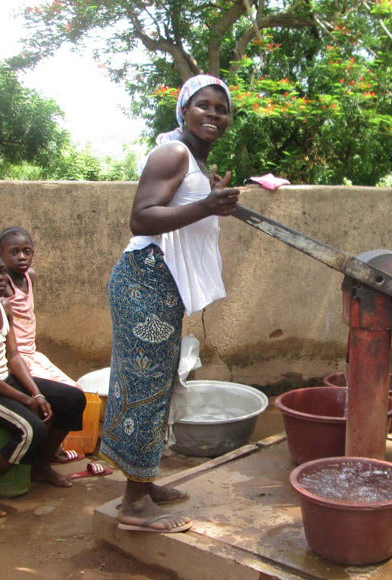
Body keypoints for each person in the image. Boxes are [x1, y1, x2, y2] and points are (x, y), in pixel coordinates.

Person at [100, 74, 240, 533]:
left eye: (221, 109)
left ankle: (142, 480)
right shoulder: (173, 152)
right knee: (144, 386)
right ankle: (134, 506)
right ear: (183, 110)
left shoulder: (194, 162)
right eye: (204, 105)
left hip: (161, 284)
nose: (213, 115)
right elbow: (141, 216)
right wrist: (207, 206)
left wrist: (210, 201)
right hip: (145, 279)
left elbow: (183, 212)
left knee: (156, 383)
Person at [0, 248, 87, 519]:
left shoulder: (4, 307)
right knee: (31, 429)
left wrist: (37, 392)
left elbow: (13, 357)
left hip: (3, 379)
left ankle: (41, 467)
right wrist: (27, 399)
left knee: (73, 399)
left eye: (1, 271)